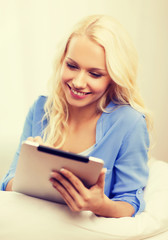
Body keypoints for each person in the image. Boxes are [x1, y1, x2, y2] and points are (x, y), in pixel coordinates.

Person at [0, 15, 152, 218]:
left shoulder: (129, 123)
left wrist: (100, 205)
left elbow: (130, 201)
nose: (79, 82)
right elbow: (8, 182)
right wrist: (32, 168)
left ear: (113, 78)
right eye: (72, 66)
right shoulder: (41, 108)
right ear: (62, 62)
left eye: (95, 74)